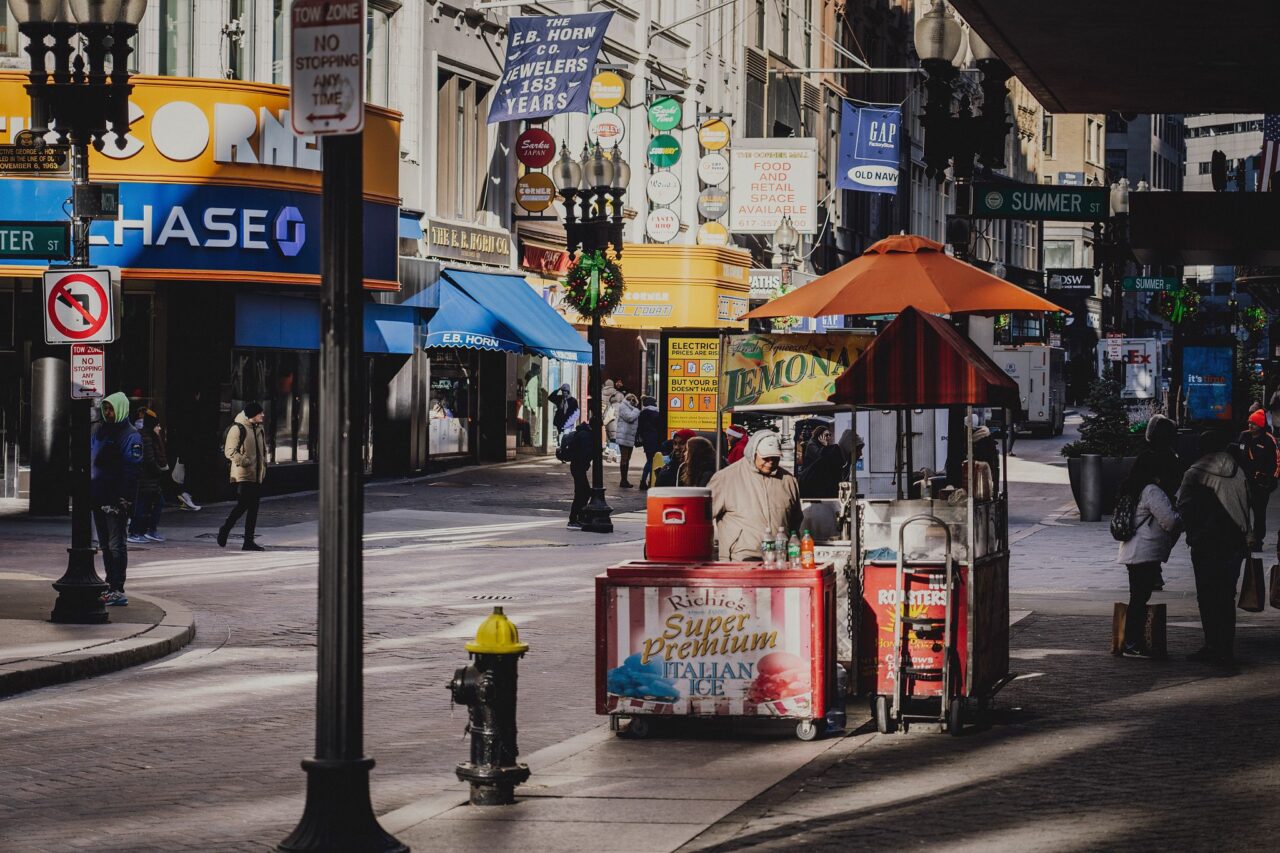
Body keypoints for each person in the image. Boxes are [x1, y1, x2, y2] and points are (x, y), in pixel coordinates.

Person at [1177, 430, 1251, 666]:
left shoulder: (1194, 473)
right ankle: (1225, 648)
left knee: (1207, 596)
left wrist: (1193, 534)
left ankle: (1212, 645)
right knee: (1226, 596)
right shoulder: (1238, 471)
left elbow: (1185, 508)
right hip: (1234, 542)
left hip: (1206, 544)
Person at [1115, 453, 1183, 658]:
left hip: (1133, 550)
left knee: (1138, 595)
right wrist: (1182, 517)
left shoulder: (1132, 489)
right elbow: (1169, 521)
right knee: (1139, 597)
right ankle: (1132, 643)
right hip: (1144, 551)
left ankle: (1130, 641)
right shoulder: (1152, 491)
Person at [709, 431, 802, 561]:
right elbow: (702, 517)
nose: (770, 462)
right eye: (765, 458)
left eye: (775, 458)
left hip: (779, 560)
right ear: (753, 453)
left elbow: (796, 520)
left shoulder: (788, 480)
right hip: (739, 560)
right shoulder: (725, 478)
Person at [92, 392, 142, 606]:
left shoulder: (130, 435)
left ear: (121, 409)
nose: (108, 413)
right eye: (106, 409)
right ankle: (110, 584)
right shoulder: (100, 430)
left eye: (111, 409)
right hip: (98, 494)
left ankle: (117, 588)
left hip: (115, 499)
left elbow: (132, 470)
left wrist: (124, 499)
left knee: (116, 544)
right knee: (105, 544)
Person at [217, 402, 269, 552]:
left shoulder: (259, 428)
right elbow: (229, 451)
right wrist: (245, 461)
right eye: (260, 413)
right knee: (242, 506)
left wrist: (263, 466)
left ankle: (248, 542)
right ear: (253, 414)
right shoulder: (238, 428)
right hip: (244, 475)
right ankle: (225, 529)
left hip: (257, 475)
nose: (263, 415)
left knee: (253, 509)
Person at [1236, 408, 1278, 551]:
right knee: (1242, 511)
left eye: (1253, 424)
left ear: (1260, 426)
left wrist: (1272, 481)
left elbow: (1277, 461)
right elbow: (1236, 454)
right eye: (1249, 423)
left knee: (1259, 514)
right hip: (1243, 482)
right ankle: (1244, 538)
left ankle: (1258, 540)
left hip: (1260, 484)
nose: (1250, 426)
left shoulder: (1269, 440)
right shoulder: (1243, 436)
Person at [128, 408, 170, 544]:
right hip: (146, 479)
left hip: (148, 479)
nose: (160, 428)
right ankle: (137, 532)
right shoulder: (146, 437)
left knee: (148, 504)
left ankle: (145, 531)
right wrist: (160, 470)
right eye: (157, 425)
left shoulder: (149, 436)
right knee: (142, 505)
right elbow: (149, 460)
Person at [566, 420, 593, 529]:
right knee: (582, 492)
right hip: (579, 467)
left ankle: (579, 516)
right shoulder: (586, 436)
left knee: (584, 492)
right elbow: (586, 453)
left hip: (577, 466)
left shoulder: (583, 433)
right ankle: (574, 519)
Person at [615, 393, 640, 488]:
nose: (634, 405)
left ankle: (625, 480)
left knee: (627, 459)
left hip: (629, 437)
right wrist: (637, 410)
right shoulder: (623, 407)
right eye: (634, 403)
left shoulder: (630, 408)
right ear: (630, 400)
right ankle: (623, 480)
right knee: (624, 459)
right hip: (624, 437)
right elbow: (629, 418)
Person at [637, 396, 662, 489]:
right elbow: (659, 429)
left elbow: (639, 428)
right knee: (652, 461)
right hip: (654, 440)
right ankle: (650, 481)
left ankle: (643, 480)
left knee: (649, 460)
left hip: (646, 441)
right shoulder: (656, 414)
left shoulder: (642, 414)